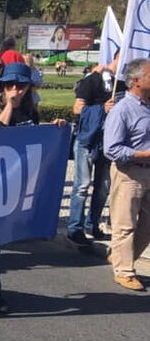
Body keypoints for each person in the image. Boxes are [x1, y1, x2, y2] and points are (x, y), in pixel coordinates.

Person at [0, 63, 66, 312]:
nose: (16, 90)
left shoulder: (29, 110)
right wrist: (9, 106)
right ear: (2, 86)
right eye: (10, 85)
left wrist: (53, 128)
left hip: (15, 182)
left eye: (21, 85)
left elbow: (33, 139)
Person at [102, 58, 150, 292]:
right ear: (136, 80)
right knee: (125, 224)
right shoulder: (122, 109)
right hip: (129, 173)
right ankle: (124, 271)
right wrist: (143, 154)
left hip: (148, 172)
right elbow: (111, 149)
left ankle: (120, 256)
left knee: (147, 225)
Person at [67, 57, 117, 245]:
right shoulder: (92, 80)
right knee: (82, 185)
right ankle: (75, 227)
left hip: (109, 141)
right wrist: (102, 108)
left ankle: (92, 223)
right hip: (88, 140)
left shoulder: (121, 84)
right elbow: (77, 108)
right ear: (116, 58)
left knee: (103, 187)